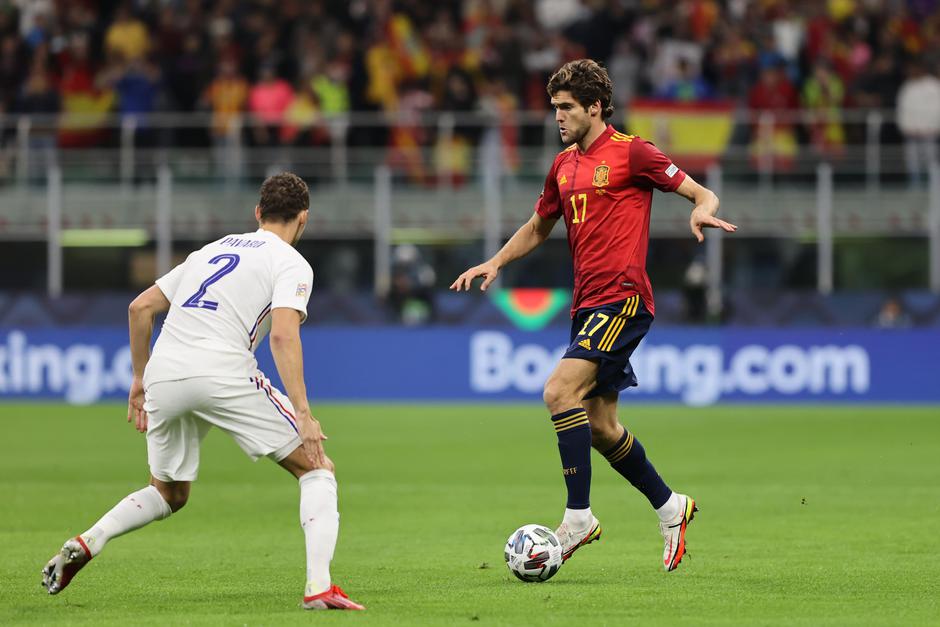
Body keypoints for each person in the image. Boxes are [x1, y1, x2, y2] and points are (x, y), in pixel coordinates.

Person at [451, 59, 736, 572]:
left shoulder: (633, 153)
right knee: (602, 426)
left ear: (595, 107)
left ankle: (578, 517)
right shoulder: (563, 165)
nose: (557, 116)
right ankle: (673, 507)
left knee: (559, 392)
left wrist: (698, 207)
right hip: (586, 305)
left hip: (624, 298)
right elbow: (540, 226)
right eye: (554, 107)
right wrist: (495, 261)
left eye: (566, 108)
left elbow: (699, 190)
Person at [41, 173, 364, 611]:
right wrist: (304, 415)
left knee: (169, 492)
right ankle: (319, 587)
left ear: (257, 213)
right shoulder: (290, 261)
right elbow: (284, 337)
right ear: (303, 219)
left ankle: (90, 539)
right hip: (222, 370)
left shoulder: (210, 250)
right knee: (317, 468)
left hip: (166, 372)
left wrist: (139, 377)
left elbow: (140, 308)